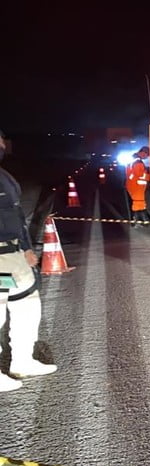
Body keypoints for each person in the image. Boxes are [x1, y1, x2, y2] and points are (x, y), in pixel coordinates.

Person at [0, 128, 58, 391]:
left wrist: (25, 248)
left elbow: (15, 215)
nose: (3, 144)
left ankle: (23, 361)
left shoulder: (4, 177)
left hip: (13, 256)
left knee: (27, 303)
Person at [126, 146, 150, 225]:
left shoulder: (133, 160)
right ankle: (140, 220)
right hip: (137, 186)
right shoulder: (138, 162)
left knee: (137, 203)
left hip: (132, 185)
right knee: (139, 203)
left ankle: (137, 219)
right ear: (143, 153)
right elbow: (140, 174)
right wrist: (149, 176)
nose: (147, 157)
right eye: (147, 155)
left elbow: (131, 174)